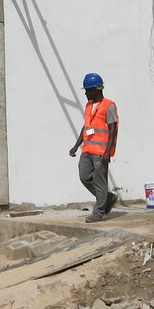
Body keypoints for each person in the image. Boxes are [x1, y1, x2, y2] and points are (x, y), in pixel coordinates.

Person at [67, 71, 119, 223]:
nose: (86, 94)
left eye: (87, 90)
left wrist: (108, 152)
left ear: (97, 89)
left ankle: (99, 212)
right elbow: (86, 127)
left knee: (100, 181)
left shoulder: (109, 105)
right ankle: (107, 198)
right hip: (87, 149)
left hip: (101, 151)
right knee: (84, 176)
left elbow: (112, 128)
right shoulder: (89, 105)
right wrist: (76, 146)